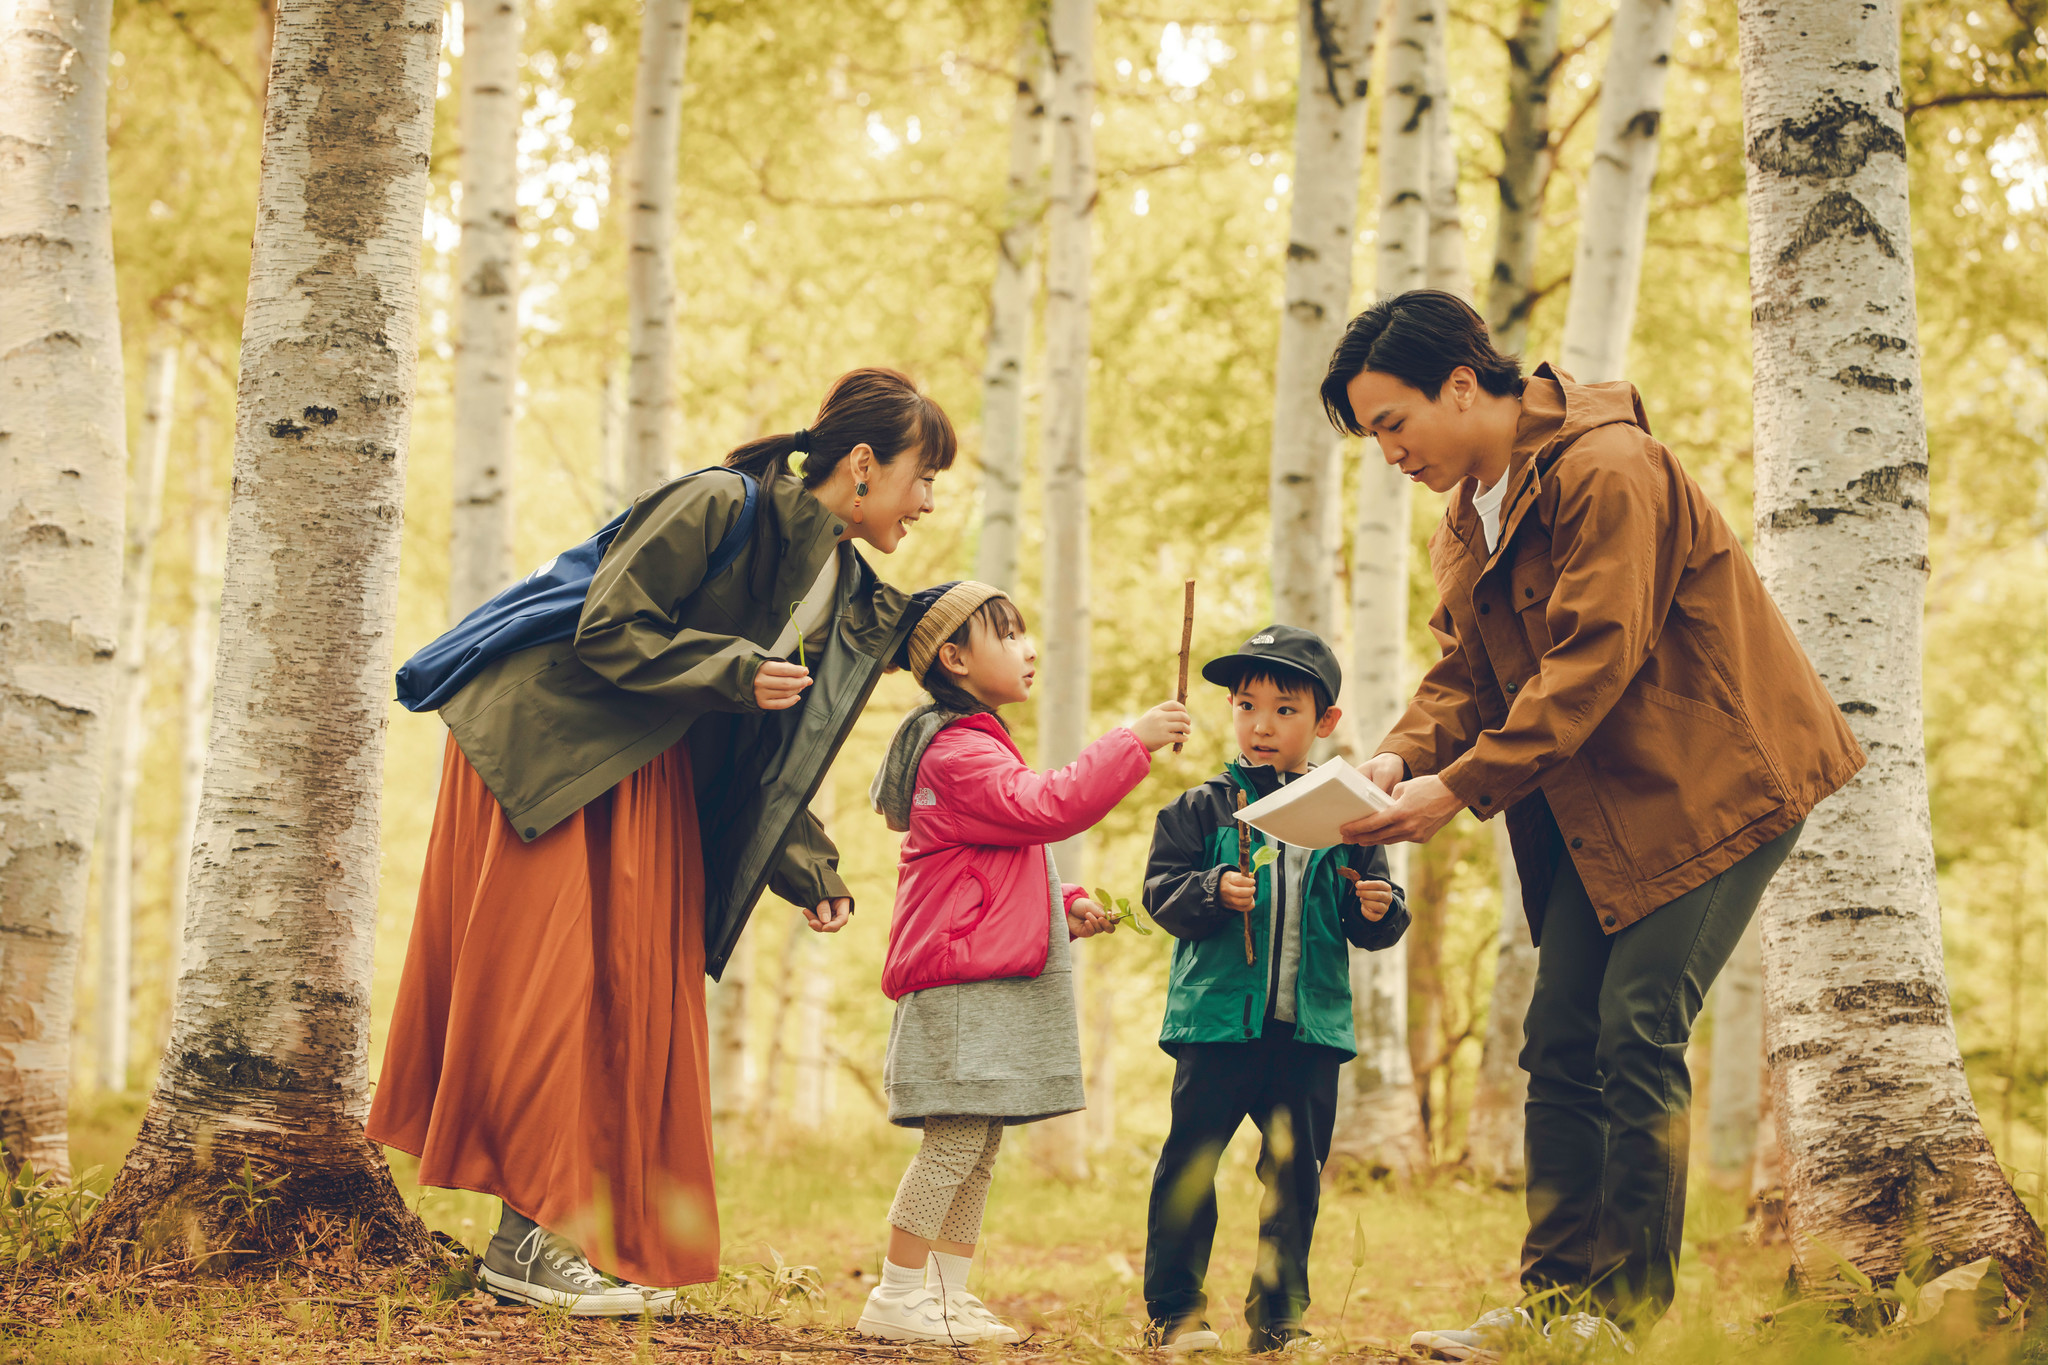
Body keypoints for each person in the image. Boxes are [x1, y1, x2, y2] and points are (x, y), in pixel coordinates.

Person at [1318, 292, 1865, 1354]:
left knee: (1635, 1026)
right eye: (1370, 433)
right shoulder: (1467, 521)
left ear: (1462, 385)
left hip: (1716, 782)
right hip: (1599, 802)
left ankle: (1620, 1322)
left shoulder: (1606, 471)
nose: (1385, 450)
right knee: (1559, 1040)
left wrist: (1459, 786)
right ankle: (1551, 1307)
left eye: (1392, 422)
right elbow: (1460, 675)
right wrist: (1395, 757)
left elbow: (1590, 662)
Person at [368, 368, 958, 1315]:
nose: (928, 501)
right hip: (552, 745)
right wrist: (732, 667)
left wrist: (807, 865)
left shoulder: (841, 587)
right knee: (553, 987)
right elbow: (609, 626)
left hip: (649, 774)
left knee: (628, 996)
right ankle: (524, 1244)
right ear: (862, 465)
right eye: (924, 476)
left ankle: (561, 1235)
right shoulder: (720, 502)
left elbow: (771, 741)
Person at [857, 581, 1192, 1344]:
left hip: (979, 974)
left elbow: (1000, 860)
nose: (1028, 648)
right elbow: (1048, 807)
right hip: (958, 983)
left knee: (979, 1138)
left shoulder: (974, 741)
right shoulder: (958, 748)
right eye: (1008, 635)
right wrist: (1131, 739)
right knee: (953, 1138)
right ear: (955, 658)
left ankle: (945, 1292)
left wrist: (1063, 903)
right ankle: (897, 1291)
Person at [1139, 626, 1410, 1355]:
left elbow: (1374, 915)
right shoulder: (1202, 807)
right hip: (1218, 1024)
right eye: (1246, 704)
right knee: (1191, 1163)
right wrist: (1209, 888)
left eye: (1285, 710)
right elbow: (1159, 892)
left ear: (1326, 722)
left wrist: (1378, 904)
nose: (1261, 724)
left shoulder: (1350, 813)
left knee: (1295, 1177)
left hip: (1308, 1030)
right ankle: (1174, 1313)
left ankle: (1279, 1318)